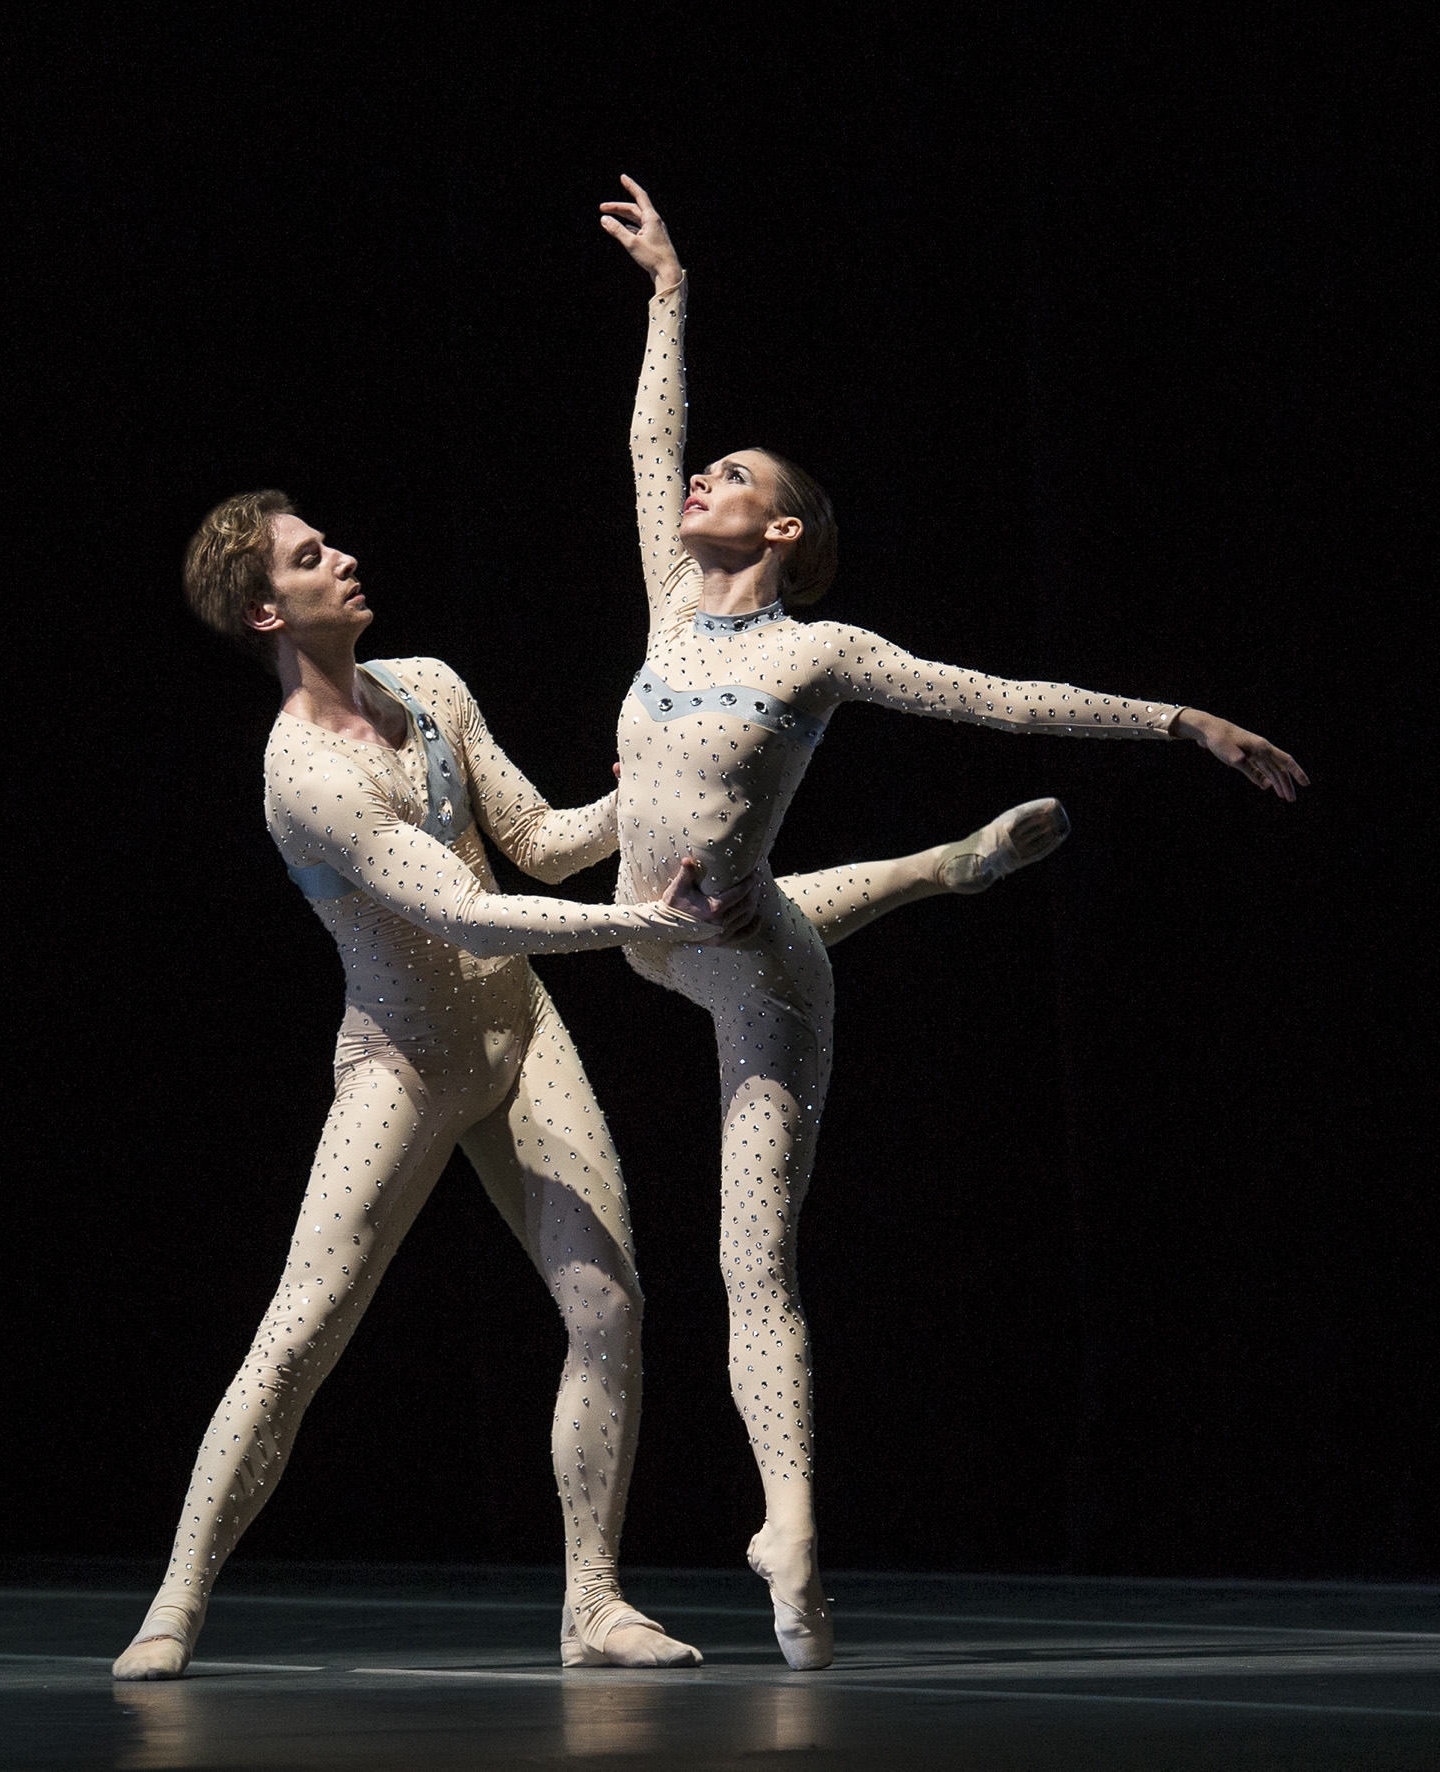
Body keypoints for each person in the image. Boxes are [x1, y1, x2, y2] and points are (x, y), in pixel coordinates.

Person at [112, 490, 1051, 1682]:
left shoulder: (429, 687)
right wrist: (646, 920)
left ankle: (591, 1600)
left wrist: (636, 798)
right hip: (401, 1059)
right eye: (309, 557)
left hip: (518, 1032)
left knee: (608, 1308)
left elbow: (540, 842)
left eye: (328, 540)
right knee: (304, 1325)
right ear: (265, 611)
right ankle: (177, 1600)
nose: (341, 556)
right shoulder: (304, 772)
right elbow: (465, 910)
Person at [598, 175, 1308, 1671]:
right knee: (797, 908)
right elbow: (650, 439)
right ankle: (945, 865)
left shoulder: (821, 649)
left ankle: (791, 1529)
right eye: (707, 471)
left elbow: (1000, 698)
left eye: (733, 476)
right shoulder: (667, 599)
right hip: (644, 933)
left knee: (748, 1258)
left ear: (782, 525)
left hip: (752, 972)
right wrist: (670, 293)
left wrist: (1177, 719)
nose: (700, 480)